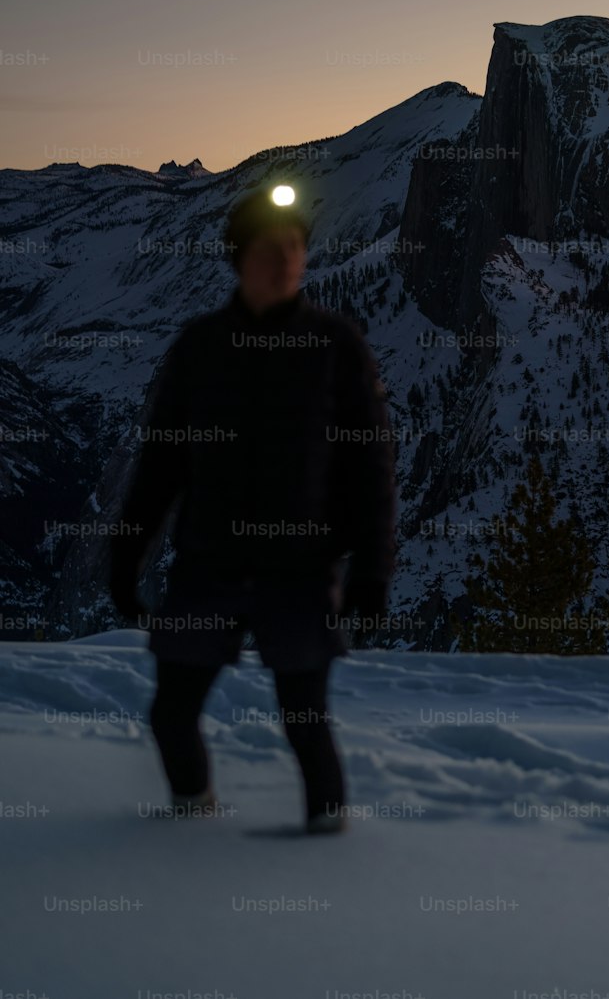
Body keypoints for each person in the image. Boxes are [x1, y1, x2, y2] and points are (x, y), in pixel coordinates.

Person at [108, 184, 396, 834]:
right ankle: (190, 816)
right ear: (239, 258)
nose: (286, 259)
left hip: (299, 566)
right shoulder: (200, 347)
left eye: (295, 247)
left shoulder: (334, 345)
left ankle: (327, 837)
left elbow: (371, 468)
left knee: (304, 716)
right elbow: (160, 466)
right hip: (209, 561)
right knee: (171, 711)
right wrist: (125, 558)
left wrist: (372, 571)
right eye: (271, 249)